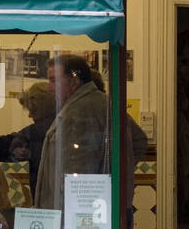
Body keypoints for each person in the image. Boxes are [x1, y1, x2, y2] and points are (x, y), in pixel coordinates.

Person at [34, 56, 149, 216]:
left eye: (54, 81)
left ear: (74, 82)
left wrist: (110, 173)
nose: (49, 88)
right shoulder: (102, 103)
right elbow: (138, 140)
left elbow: (74, 172)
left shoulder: (80, 111)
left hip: (80, 212)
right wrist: (113, 172)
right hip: (100, 207)